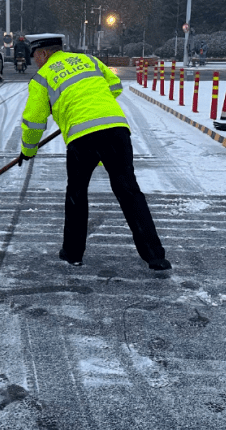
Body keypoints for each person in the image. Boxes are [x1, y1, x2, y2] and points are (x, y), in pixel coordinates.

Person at [17, 33, 169, 271]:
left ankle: (73, 253)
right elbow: (115, 87)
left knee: (77, 194)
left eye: (34, 56)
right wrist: (92, 105)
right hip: (116, 128)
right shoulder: (89, 60)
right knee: (129, 191)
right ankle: (155, 257)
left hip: (82, 137)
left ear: (44, 53)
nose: (34, 61)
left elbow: (34, 121)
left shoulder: (42, 77)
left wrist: (28, 149)